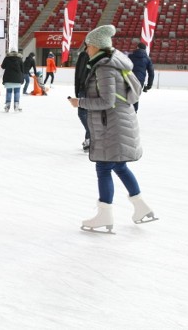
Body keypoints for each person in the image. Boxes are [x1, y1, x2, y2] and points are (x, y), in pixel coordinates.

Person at [67, 25, 156, 234]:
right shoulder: (112, 63)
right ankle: (141, 207)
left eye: (88, 46)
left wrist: (80, 102)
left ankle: (104, 215)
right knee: (119, 167)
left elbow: (107, 101)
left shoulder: (104, 67)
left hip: (112, 125)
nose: (86, 49)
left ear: (97, 46)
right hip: (118, 122)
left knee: (104, 168)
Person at [128, 42, 155, 113]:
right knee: (135, 97)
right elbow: (151, 73)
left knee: (126, 95)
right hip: (140, 81)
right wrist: (149, 85)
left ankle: (125, 112)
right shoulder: (147, 59)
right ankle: (134, 112)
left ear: (137, 47)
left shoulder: (130, 56)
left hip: (129, 78)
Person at [74, 42, 91, 152]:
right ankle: (89, 140)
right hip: (92, 89)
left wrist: (79, 89)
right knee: (89, 114)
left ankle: (91, 137)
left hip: (85, 89)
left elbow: (79, 74)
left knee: (82, 113)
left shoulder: (84, 55)